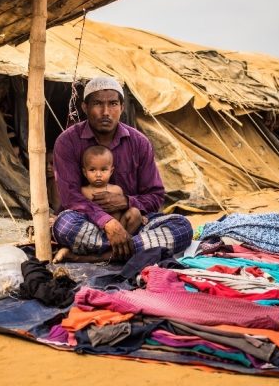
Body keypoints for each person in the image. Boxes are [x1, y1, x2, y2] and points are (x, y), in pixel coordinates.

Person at [51, 76, 192, 263]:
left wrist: (126, 201)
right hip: (89, 223)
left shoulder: (139, 142)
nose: (106, 112)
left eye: (113, 104)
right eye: (98, 104)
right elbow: (70, 197)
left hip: (132, 225)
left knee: (182, 227)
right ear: (85, 107)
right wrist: (106, 222)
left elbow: (155, 195)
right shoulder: (67, 141)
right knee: (65, 225)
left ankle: (92, 256)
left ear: (122, 108)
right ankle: (132, 249)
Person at [79, 145, 148, 232]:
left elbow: (124, 209)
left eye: (103, 170)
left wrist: (140, 216)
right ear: (85, 172)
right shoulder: (84, 191)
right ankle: (104, 243)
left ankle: (126, 239)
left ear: (111, 171)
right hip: (96, 231)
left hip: (120, 227)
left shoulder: (116, 190)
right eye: (92, 170)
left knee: (135, 212)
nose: (98, 175)